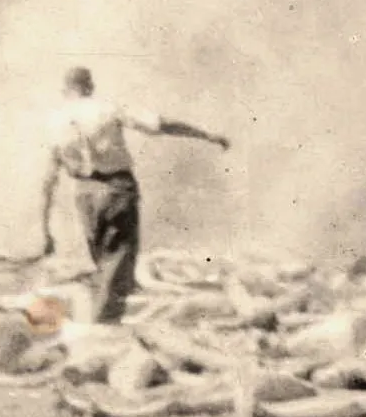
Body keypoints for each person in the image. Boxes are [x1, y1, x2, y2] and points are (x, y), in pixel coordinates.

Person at [40, 66, 230, 324]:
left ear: (65, 89)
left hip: (84, 194)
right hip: (116, 190)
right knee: (117, 267)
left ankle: (99, 322)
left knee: (104, 266)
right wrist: (206, 135)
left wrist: (45, 231)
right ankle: (101, 330)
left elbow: (49, 179)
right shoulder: (108, 108)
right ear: (90, 86)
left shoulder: (55, 121)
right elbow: (161, 124)